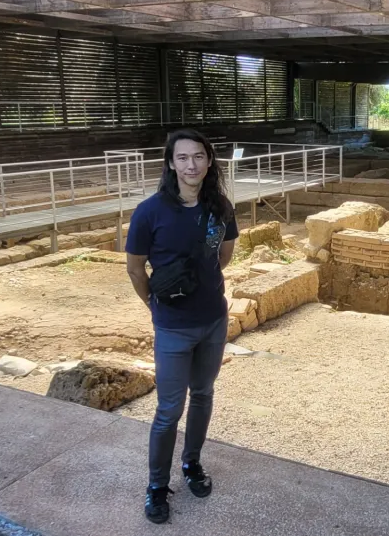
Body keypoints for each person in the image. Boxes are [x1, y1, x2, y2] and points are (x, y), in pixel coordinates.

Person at [125, 128, 238, 525]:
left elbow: (223, 256)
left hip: (213, 320)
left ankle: (192, 464)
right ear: (171, 163)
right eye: (183, 157)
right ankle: (157, 485)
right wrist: (155, 306)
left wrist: (205, 288)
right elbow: (135, 269)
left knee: (203, 394)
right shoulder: (150, 211)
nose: (192, 164)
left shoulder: (220, 206)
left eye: (199, 157)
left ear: (209, 162)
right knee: (168, 409)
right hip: (173, 327)